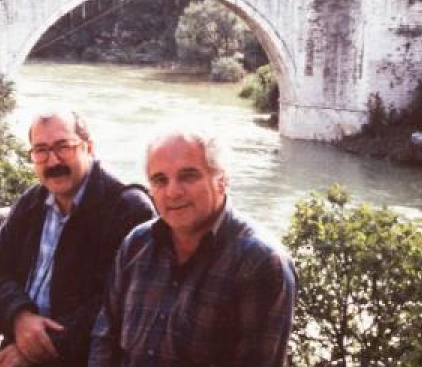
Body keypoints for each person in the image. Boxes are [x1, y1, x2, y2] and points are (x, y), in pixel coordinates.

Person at [89, 132, 296, 367]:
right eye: (160, 180)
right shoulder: (137, 244)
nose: (173, 192)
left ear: (222, 180)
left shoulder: (259, 262)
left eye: (188, 176)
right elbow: (104, 337)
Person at [0, 111, 155, 367]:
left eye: (63, 147)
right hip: (20, 342)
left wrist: (35, 347)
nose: (53, 160)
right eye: (41, 150)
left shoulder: (127, 209)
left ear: (89, 147)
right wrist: (19, 316)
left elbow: (119, 306)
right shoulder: (32, 203)